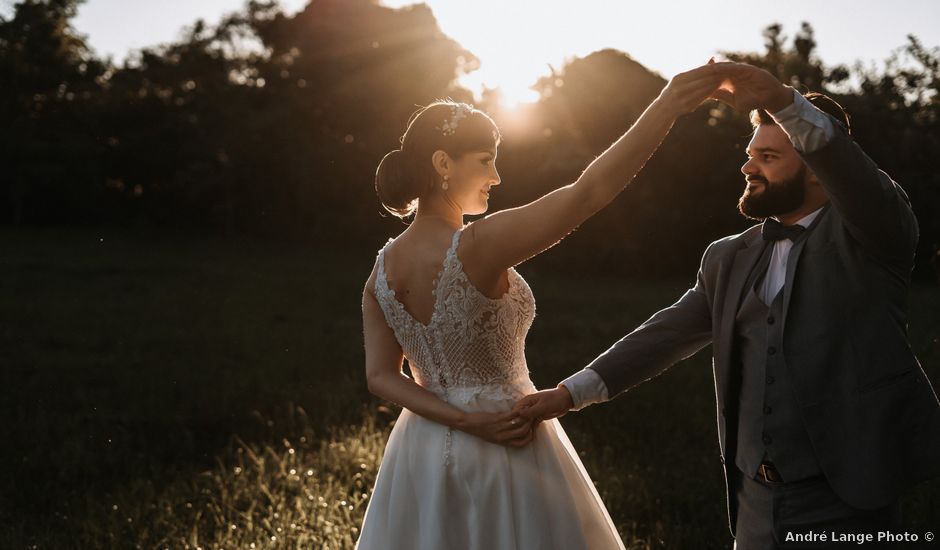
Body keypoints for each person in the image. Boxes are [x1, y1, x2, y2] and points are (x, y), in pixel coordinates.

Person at [514, 62, 940, 549]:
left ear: (821, 175)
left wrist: (781, 100)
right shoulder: (727, 256)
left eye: (769, 156)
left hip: (849, 501)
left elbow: (851, 172)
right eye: (750, 153)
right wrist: (569, 394)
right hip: (754, 503)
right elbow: (665, 335)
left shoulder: (872, 236)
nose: (747, 166)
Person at [357, 62, 728, 549]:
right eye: (485, 160)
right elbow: (587, 194)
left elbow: (380, 377)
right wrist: (666, 107)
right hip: (509, 435)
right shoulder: (478, 244)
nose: (496, 175)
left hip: (420, 448)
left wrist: (461, 420)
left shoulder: (380, 270)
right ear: (443, 164)